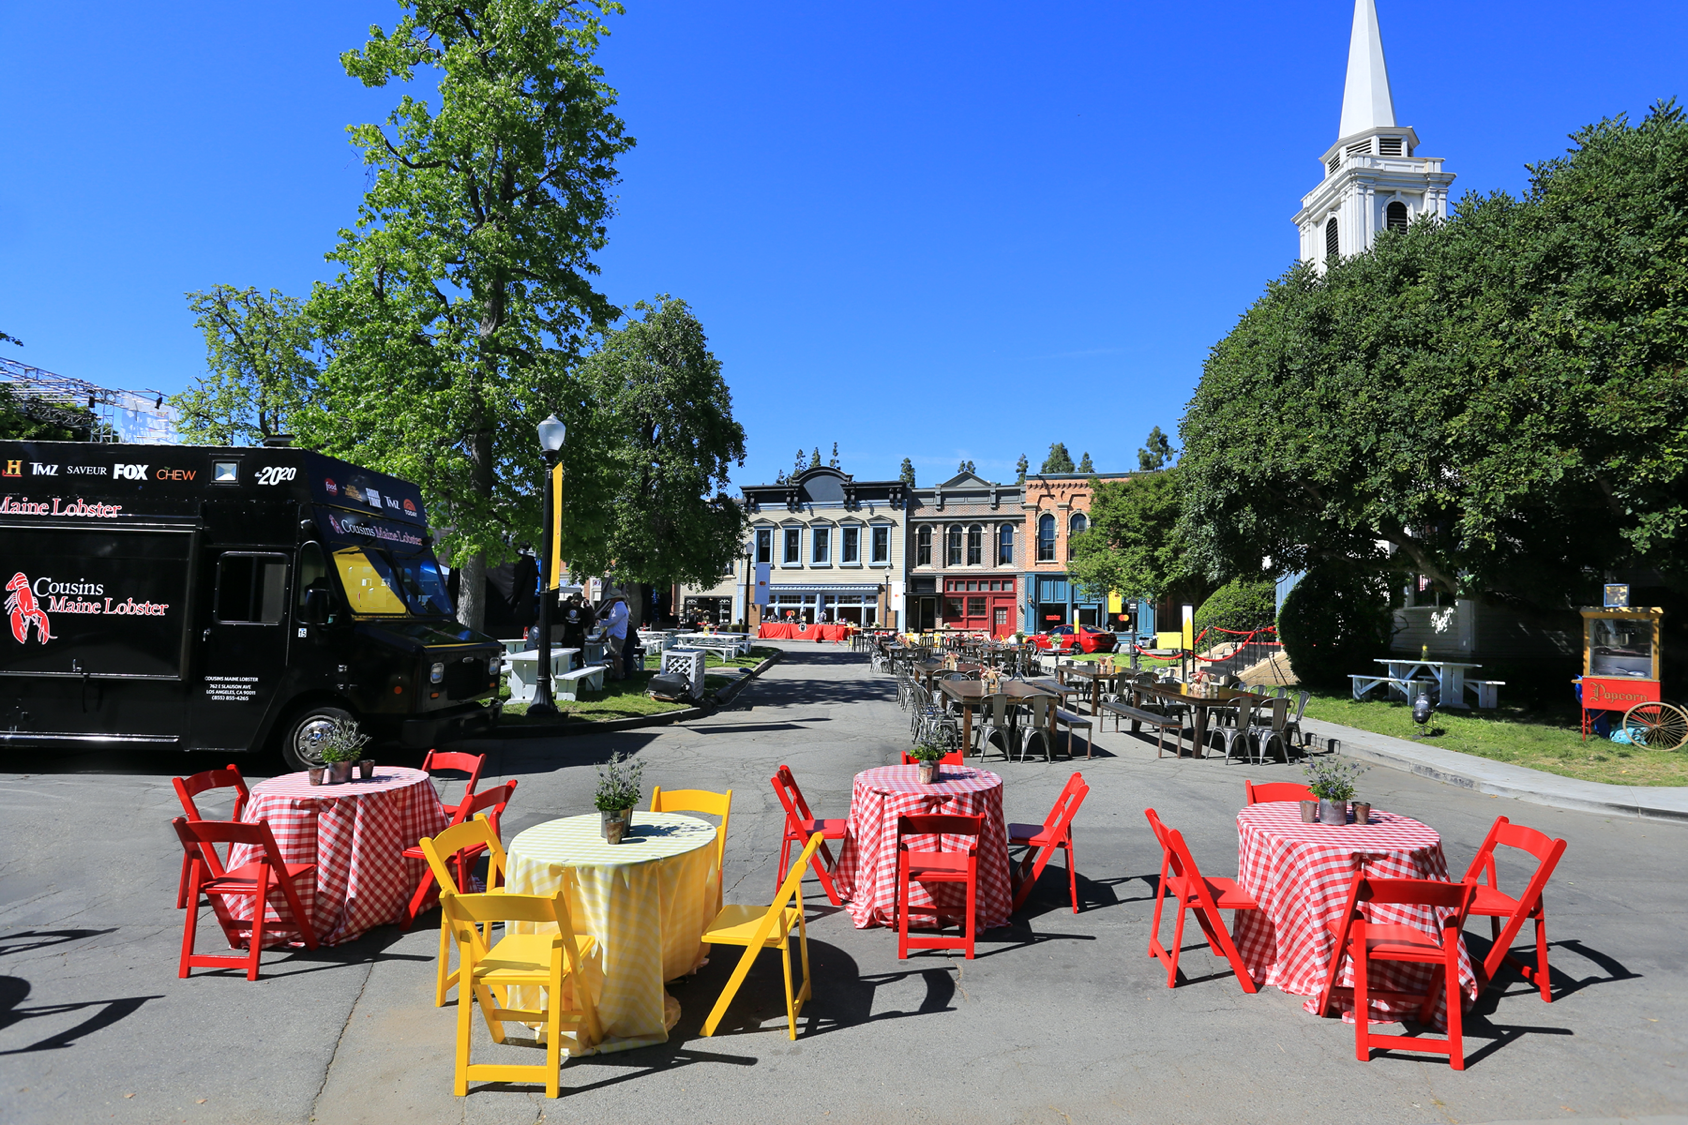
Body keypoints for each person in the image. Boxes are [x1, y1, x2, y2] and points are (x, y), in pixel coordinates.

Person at [602, 595, 630, 680]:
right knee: (615, 656)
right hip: (618, 633)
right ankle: (618, 674)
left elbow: (613, 621)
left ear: (617, 598)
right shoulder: (618, 606)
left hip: (617, 634)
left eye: (612, 598)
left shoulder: (619, 607)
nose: (610, 600)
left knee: (616, 656)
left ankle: (618, 675)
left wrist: (601, 623)